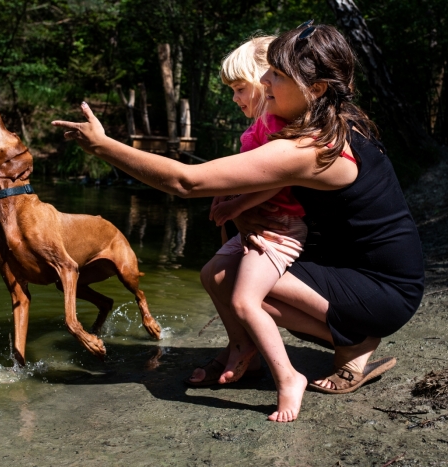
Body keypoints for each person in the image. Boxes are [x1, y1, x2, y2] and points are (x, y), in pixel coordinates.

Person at [52, 21, 425, 423]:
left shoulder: (311, 149)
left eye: (277, 75)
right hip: (356, 270)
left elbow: (186, 180)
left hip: (382, 290)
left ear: (315, 89)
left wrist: (103, 146)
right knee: (220, 271)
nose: (264, 81)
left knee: (238, 283)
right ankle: (247, 353)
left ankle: (354, 341)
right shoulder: (331, 118)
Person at [190, 36, 309, 388]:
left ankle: (286, 375)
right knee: (211, 274)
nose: (235, 98)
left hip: (279, 226)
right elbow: (240, 173)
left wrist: (235, 205)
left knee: (244, 298)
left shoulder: (276, 126)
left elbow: (275, 180)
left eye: (240, 88)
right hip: (261, 222)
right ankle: (242, 347)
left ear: (265, 82)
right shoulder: (259, 127)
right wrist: (223, 195)